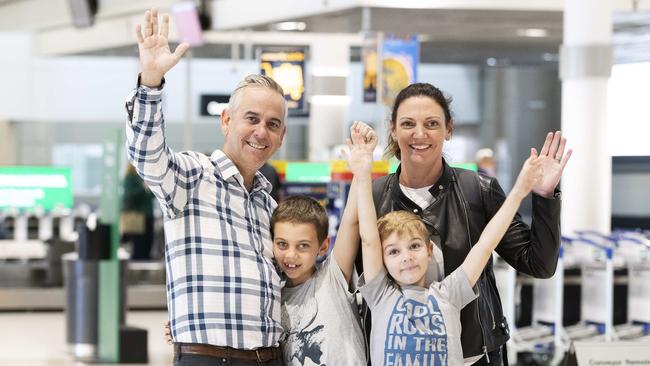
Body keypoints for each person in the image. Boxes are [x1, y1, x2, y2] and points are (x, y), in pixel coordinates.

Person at [366, 83, 572, 365]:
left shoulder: (479, 190)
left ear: (448, 129)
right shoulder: (374, 197)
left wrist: (544, 195)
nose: (419, 134)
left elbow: (538, 264)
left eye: (432, 123)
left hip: (478, 356)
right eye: (408, 124)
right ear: (393, 129)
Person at [126, 8, 287, 365]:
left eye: (273, 124)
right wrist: (151, 81)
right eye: (251, 118)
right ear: (226, 121)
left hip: (271, 357)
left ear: (281, 136)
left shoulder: (271, 208)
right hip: (209, 359)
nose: (261, 132)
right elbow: (146, 155)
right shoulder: (192, 177)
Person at [347, 121, 545, 366]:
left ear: (430, 251)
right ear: (383, 259)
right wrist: (363, 174)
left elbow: (485, 244)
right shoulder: (380, 294)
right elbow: (367, 238)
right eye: (394, 251)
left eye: (415, 246)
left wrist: (520, 190)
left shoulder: (449, 294)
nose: (406, 256)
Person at [271, 194, 366, 365]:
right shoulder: (273, 298)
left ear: (323, 246)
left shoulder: (332, 277)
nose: (291, 255)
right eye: (282, 244)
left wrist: (361, 172)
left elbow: (352, 219)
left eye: (303, 245)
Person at [120, 164, 155, 260]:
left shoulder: (144, 178)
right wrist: (143, 188)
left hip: (148, 216)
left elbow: (152, 196)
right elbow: (129, 196)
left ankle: (145, 268)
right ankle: (137, 272)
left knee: (148, 243)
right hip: (137, 217)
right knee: (139, 245)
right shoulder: (130, 178)